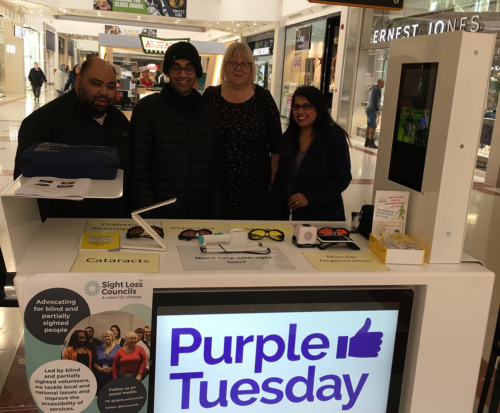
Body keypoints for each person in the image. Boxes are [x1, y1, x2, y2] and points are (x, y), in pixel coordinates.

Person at [14, 57, 131, 220]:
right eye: (96, 84)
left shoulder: (119, 122)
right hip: (60, 231)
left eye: (110, 86)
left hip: (112, 227)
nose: (104, 92)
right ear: (79, 81)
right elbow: (24, 191)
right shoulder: (42, 123)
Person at [129, 42, 223, 218]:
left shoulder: (207, 114)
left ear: (196, 72)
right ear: (167, 72)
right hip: (160, 217)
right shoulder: (147, 109)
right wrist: (148, 217)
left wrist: (216, 215)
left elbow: (216, 171)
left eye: (189, 68)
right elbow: (139, 170)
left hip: (201, 217)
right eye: (176, 68)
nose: (183, 74)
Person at [203, 42, 282, 219]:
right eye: (233, 63)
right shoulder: (211, 96)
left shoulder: (263, 98)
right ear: (225, 66)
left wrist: (271, 183)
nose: (239, 68)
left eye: (245, 63)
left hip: (255, 186)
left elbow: (277, 147)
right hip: (216, 184)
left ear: (251, 68)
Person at [266, 86, 352, 221]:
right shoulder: (288, 137)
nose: (300, 111)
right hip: (285, 216)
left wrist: (311, 198)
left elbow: (342, 179)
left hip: (320, 214)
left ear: (318, 107)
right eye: (296, 106)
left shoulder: (333, 137)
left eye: (307, 106)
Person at [365, 78, 384, 149]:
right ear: (380, 82)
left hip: (369, 109)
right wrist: (377, 109)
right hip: (372, 110)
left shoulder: (373, 88)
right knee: (374, 126)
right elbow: (375, 99)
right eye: (383, 83)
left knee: (369, 126)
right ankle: (371, 142)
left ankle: (367, 141)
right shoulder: (377, 89)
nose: (383, 84)